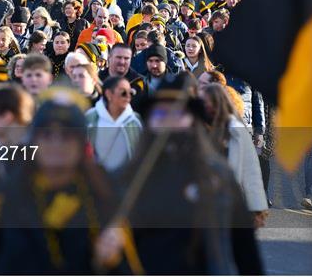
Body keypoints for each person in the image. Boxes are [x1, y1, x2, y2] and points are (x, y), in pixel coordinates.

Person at [95, 74, 263, 275]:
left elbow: (245, 250)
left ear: (192, 121)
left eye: (178, 114)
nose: (169, 122)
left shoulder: (216, 177)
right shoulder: (130, 177)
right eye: (161, 115)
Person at [0, 91, 117, 274]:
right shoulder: (3, 199)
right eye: (47, 134)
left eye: (66, 136)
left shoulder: (106, 196)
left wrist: (113, 259)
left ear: (80, 143)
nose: (56, 143)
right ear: (34, 140)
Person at [200, 83, 269, 222]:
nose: (209, 107)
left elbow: (251, 173)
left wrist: (257, 207)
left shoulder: (237, 131)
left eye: (213, 103)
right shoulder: (197, 129)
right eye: (205, 103)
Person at [85, 76, 142, 172]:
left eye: (130, 92)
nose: (128, 96)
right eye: (123, 92)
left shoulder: (135, 121)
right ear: (108, 94)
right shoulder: (90, 118)